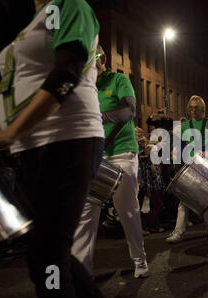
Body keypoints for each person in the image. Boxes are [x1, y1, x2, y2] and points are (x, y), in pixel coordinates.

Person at [0, 0, 104, 298]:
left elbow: (68, 70)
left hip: (67, 138)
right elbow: (17, 85)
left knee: (47, 257)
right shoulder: (36, 22)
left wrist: (13, 129)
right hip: (31, 147)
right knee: (51, 250)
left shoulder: (69, 5)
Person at [71, 45, 149, 279]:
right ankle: (81, 271)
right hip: (94, 156)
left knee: (126, 210)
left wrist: (100, 117)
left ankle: (140, 259)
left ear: (102, 58)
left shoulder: (118, 80)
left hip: (122, 153)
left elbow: (129, 110)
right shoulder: (84, 87)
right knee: (86, 212)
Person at [165, 95, 208, 243]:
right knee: (184, 199)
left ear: (202, 109)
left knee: (206, 199)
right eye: (191, 108)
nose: (193, 111)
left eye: (196, 108)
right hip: (189, 164)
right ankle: (179, 232)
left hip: (206, 165)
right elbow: (178, 144)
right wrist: (174, 151)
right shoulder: (185, 126)